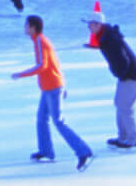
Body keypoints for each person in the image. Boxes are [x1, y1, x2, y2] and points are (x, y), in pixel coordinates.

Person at [9, 14, 93, 169]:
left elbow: (43, 65)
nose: (24, 28)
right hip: (48, 88)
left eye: (26, 25)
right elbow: (54, 63)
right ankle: (46, 151)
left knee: (58, 121)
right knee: (41, 119)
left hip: (53, 88)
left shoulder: (40, 41)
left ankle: (84, 152)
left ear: (33, 27)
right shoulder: (38, 40)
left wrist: (21, 74)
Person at [82, 12, 136, 149]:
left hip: (131, 76)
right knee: (120, 104)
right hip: (126, 75)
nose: (88, 27)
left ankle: (134, 138)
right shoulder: (105, 36)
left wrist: (120, 72)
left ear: (98, 24)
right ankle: (123, 136)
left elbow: (123, 59)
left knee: (125, 107)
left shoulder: (110, 38)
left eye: (90, 24)